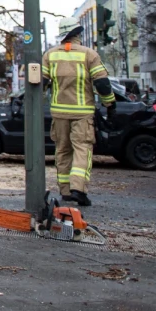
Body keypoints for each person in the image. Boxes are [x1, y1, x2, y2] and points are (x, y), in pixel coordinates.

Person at [42, 19, 115, 206]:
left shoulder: (50, 55)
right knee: (82, 149)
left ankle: (65, 191)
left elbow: (40, 84)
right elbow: (102, 84)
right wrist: (110, 104)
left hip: (59, 113)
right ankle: (78, 189)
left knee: (63, 150)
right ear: (77, 34)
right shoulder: (89, 55)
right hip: (82, 113)